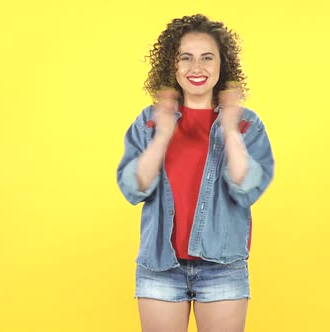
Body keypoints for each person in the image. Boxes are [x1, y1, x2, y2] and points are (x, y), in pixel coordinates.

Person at [116, 14, 274, 332]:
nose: (196, 68)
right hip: (160, 266)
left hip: (223, 268)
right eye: (185, 58)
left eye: (207, 58)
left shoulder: (247, 124)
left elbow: (248, 188)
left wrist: (230, 132)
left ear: (221, 64)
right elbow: (133, 187)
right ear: (172, 65)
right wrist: (161, 136)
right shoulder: (149, 121)